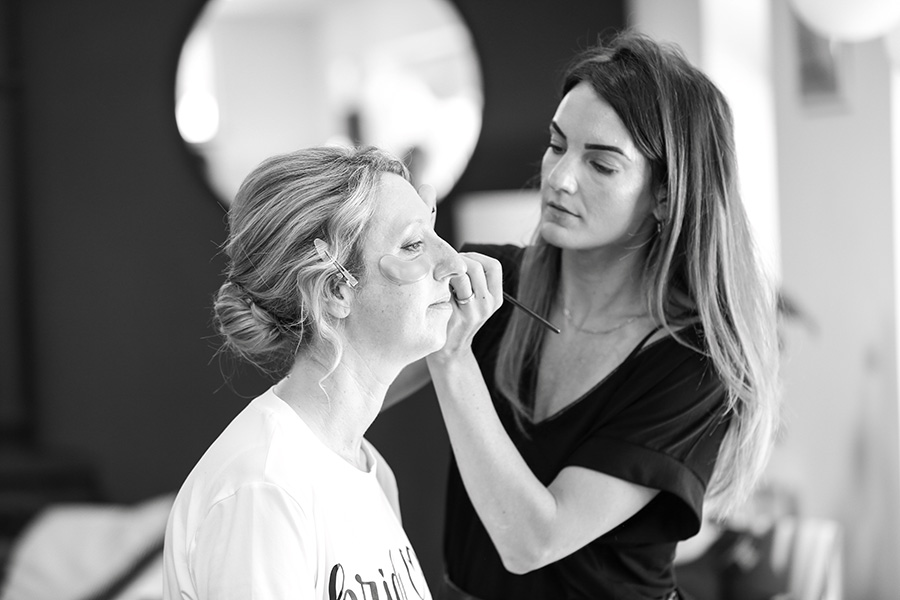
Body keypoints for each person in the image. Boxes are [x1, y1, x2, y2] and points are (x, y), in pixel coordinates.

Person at [389, 30, 780, 599]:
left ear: (667, 196)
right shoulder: (495, 285)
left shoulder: (693, 367)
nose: (559, 177)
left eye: (601, 164)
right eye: (556, 144)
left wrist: (454, 357)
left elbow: (532, 541)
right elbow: (350, 389)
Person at [162, 145, 467, 600]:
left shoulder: (368, 470)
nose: (456, 262)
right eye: (413, 244)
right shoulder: (264, 489)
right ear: (334, 291)